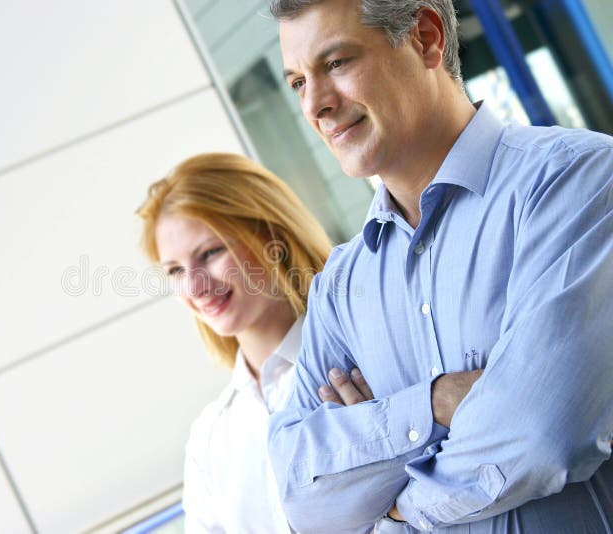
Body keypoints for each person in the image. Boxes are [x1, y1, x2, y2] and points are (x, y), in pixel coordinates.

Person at [265, 0, 613, 532]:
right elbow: (303, 498)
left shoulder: (575, 181)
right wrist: (434, 404)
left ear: (427, 37)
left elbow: (539, 431)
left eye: (336, 63)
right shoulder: (339, 286)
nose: (315, 105)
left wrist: (395, 502)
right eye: (296, 83)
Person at [137, 152, 332, 532]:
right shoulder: (211, 438)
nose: (195, 286)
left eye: (209, 253)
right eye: (175, 270)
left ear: (272, 235)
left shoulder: (359, 357)